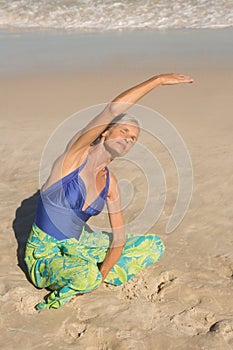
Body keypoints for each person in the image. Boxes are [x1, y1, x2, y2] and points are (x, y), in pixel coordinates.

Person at [25, 73, 193, 310]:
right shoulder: (74, 158)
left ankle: (92, 274)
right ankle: (63, 295)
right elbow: (112, 110)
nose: (128, 139)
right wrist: (157, 81)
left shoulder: (110, 183)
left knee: (153, 245)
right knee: (86, 276)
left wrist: (102, 275)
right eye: (124, 131)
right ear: (105, 132)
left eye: (133, 139)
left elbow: (119, 238)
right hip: (45, 254)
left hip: (78, 244)